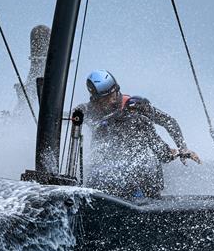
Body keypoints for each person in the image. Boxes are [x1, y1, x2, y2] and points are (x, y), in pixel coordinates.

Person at [73, 69, 200, 198]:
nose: (111, 101)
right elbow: (76, 114)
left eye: (113, 95)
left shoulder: (134, 108)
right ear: (95, 100)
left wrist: (182, 147)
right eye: (105, 99)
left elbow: (169, 121)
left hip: (137, 172)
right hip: (104, 171)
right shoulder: (89, 110)